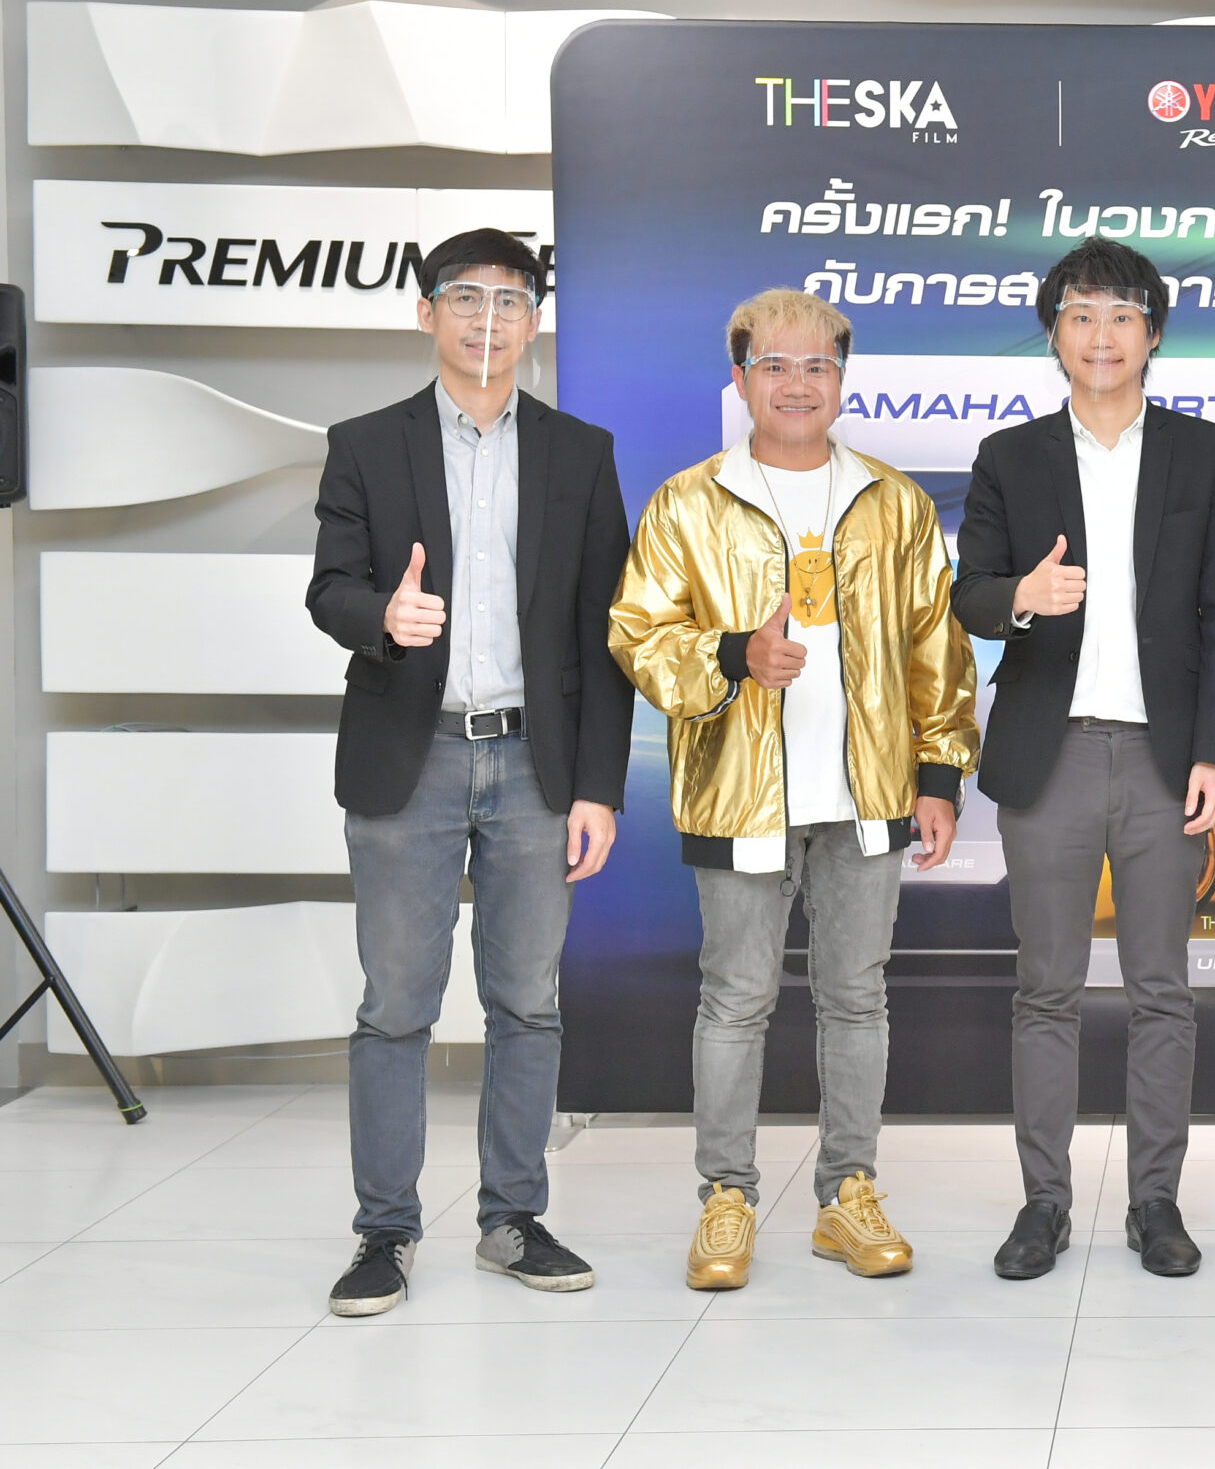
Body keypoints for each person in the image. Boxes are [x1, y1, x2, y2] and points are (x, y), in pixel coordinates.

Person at [609, 287, 978, 1290]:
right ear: (740, 379)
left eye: (818, 365)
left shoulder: (893, 501)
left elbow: (936, 648)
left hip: (869, 797)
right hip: (738, 795)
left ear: (842, 380)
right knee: (735, 1001)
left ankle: (847, 1194)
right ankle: (725, 1199)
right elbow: (638, 635)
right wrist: (734, 656)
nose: (798, 384)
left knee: (857, 1000)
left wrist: (938, 774)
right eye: (775, 365)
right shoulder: (689, 501)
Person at [307, 228, 635, 1318]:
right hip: (414, 754)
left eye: (509, 299)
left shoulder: (580, 452)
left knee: (527, 1003)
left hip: (538, 762)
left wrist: (598, 786)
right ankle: (384, 1232)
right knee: (396, 1005)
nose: (487, 318)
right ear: (426, 312)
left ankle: (513, 1219)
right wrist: (383, 617)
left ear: (533, 321)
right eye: (464, 297)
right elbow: (329, 588)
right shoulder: (366, 444)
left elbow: (604, 633)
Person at [954, 238, 1215, 1281]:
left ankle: (1155, 1202)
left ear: (1152, 333)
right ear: (1055, 334)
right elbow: (969, 594)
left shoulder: (1202, 452)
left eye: (1122, 315)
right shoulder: (1010, 457)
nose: (1101, 335)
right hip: (1053, 759)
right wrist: (1021, 599)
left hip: (1169, 763)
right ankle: (1043, 1202)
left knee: (1162, 989)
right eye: (1081, 315)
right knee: (1045, 989)